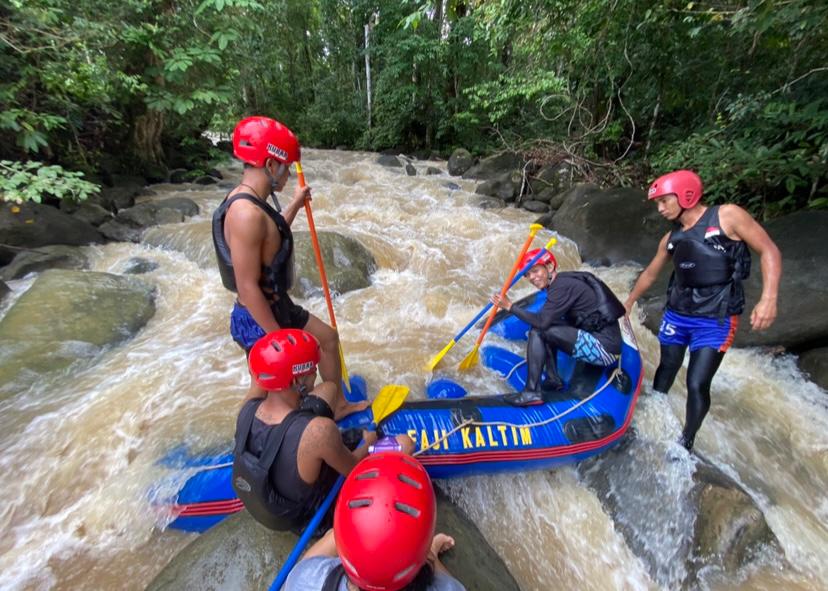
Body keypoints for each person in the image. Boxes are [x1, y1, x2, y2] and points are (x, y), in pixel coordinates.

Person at [212, 115, 365, 419]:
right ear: (271, 165)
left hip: (278, 304)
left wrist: (295, 202)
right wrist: (279, 340)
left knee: (328, 338)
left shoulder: (257, 201)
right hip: (258, 316)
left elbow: (273, 235)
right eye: (285, 169)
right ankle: (246, 434)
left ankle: (337, 404)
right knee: (267, 384)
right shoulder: (245, 213)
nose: (287, 177)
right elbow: (247, 286)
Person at [624, 169, 782, 451]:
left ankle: (686, 441)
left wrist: (769, 298)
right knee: (666, 368)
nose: (660, 209)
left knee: (697, 383)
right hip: (677, 313)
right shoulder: (671, 238)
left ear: (686, 194)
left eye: (663, 201)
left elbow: (769, 250)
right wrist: (627, 303)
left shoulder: (728, 216)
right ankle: (653, 417)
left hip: (716, 318)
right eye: (657, 204)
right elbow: (650, 274)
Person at [232, 329, 413, 532]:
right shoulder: (319, 431)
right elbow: (353, 467)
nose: (315, 374)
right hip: (306, 515)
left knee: (328, 389)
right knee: (405, 444)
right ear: (295, 382)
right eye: (311, 372)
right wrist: (369, 441)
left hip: (270, 497)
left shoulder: (247, 408)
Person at [283, 452, 466, 591]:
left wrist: (343, 529)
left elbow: (304, 567)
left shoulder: (305, 579)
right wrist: (430, 551)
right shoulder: (448, 587)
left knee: (331, 536)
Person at [491, 249, 626, 406]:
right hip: (598, 336)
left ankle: (532, 392)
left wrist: (509, 306)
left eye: (535, 271)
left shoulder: (561, 286)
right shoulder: (560, 282)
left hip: (605, 350)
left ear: (549, 267)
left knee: (539, 330)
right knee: (545, 326)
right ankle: (553, 379)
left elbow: (541, 322)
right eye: (528, 274)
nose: (532, 278)